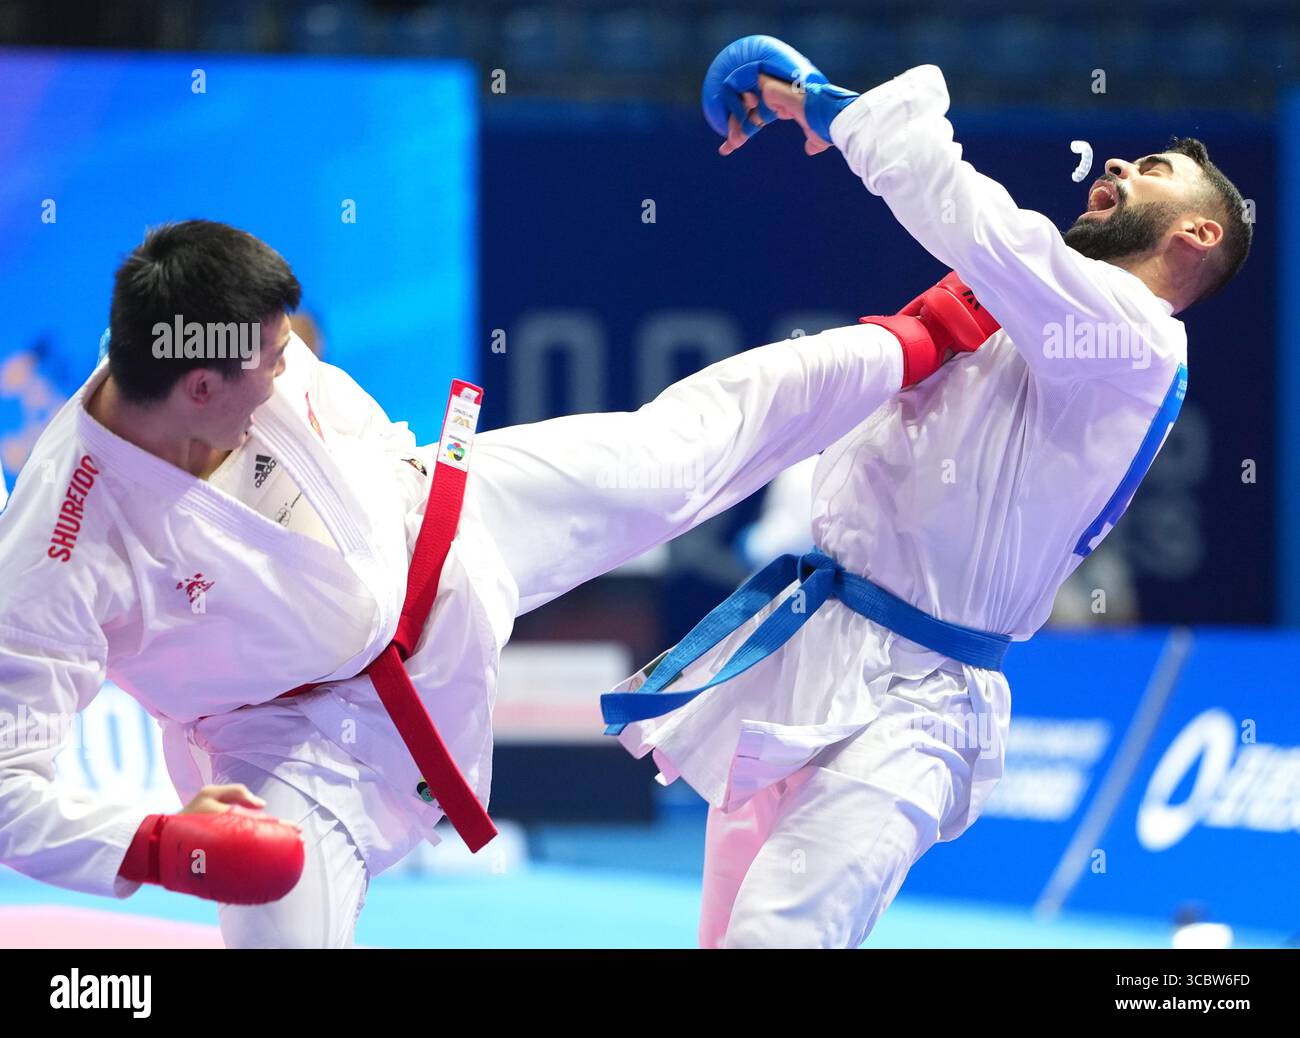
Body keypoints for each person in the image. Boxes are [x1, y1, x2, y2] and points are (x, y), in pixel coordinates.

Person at [0, 216, 983, 946]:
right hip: (296, 740)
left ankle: (918, 333)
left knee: (677, 449)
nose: (294, 365)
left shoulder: (206, 341)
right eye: (269, 363)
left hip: (436, 528)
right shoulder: (58, 547)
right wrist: (161, 843)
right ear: (199, 388)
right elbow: (7, 792)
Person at [600, 36, 1251, 948]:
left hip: (917, 707)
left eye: (1154, 170)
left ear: (1198, 232)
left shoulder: (1133, 343)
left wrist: (823, 102)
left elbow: (968, 214)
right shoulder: (1019, 322)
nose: (1117, 165)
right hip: (812, 656)